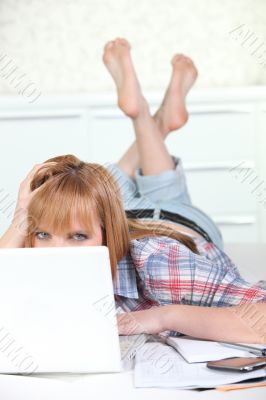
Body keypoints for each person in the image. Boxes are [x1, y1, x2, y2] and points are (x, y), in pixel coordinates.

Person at [0, 38, 265, 344]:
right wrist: (22, 215)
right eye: (43, 234)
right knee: (90, 183)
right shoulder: (40, 248)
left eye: (77, 237)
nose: (56, 252)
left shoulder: (161, 264)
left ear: (107, 233)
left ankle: (149, 117)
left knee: (165, 194)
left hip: (178, 221)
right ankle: (156, 121)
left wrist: (163, 315)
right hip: (117, 211)